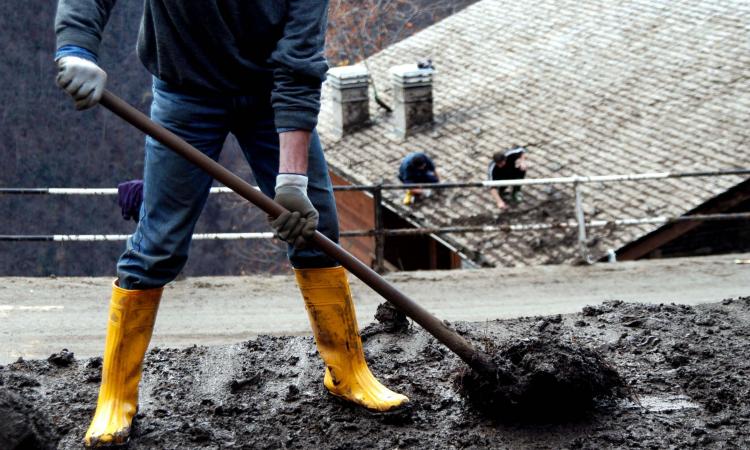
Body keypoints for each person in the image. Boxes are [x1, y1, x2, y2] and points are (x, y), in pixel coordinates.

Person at [54, 1, 407, 446]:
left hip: (268, 95)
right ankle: (115, 399)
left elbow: (299, 62)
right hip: (186, 94)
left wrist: (293, 179)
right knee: (157, 246)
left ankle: (347, 371)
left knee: (315, 228)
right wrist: (77, 49)